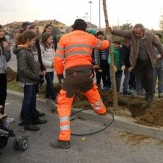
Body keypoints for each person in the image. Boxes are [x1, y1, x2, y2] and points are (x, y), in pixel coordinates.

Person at [50, 19, 109, 149]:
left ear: (73, 27)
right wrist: (108, 39)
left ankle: (64, 140)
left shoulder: (64, 38)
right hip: (87, 74)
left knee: (63, 103)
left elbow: (58, 59)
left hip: (72, 75)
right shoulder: (90, 38)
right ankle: (101, 110)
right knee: (92, 92)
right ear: (85, 28)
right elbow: (103, 45)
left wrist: (60, 75)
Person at [108, 24, 163, 103]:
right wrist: (113, 31)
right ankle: (147, 95)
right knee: (143, 79)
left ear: (143, 31)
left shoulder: (150, 36)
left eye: (139, 33)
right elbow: (123, 33)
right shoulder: (133, 35)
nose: (137, 35)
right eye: (136, 33)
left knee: (150, 78)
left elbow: (159, 46)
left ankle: (150, 95)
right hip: (139, 62)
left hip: (149, 61)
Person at [15, 30, 47, 131]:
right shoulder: (23, 52)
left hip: (32, 80)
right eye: (33, 40)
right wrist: (35, 76)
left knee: (32, 100)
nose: (34, 42)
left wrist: (38, 73)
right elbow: (24, 69)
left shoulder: (27, 49)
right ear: (27, 40)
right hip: (27, 80)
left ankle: (34, 118)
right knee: (27, 101)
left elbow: (33, 64)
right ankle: (27, 122)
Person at [40, 33, 56, 101]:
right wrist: (50, 64)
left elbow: (54, 56)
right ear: (46, 39)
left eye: (52, 39)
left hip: (52, 68)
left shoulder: (52, 47)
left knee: (50, 82)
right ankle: (54, 97)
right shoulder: (42, 47)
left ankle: (47, 95)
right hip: (45, 69)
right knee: (50, 83)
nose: (52, 40)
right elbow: (41, 59)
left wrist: (55, 63)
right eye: (50, 39)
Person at [153, 33, 163, 98]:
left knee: (161, 80)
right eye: (154, 38)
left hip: (162, 66)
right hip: (154, 66)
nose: (156, 39)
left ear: (160, 39)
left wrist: (161, 55)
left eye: (157, 37)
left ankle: (160, 92)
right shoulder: (152, 47)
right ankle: (153, 92)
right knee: (153, 80)